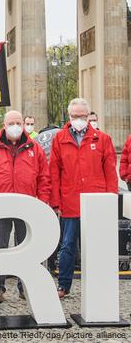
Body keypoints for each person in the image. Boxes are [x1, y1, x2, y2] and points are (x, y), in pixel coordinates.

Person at [0, 110, 50, 301]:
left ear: (23, 125)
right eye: (11, 123)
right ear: (4, 126)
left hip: (28, 207)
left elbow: (44, 178)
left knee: (28, 248)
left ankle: (27, 288)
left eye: (18, 122)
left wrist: (42, 203)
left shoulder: (35, 148)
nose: (15, 126)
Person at [49, 97, 118, 298]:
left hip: (96, 201)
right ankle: (64, 285)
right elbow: (54, 172)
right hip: (70, 202)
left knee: (96, 246)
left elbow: (110, 172)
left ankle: (99, 283)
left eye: (82, 116)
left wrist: (110, 198)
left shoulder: (103, 139)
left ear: (88, 116)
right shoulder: (59, 139)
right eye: (75, 116)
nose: (79, 119)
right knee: (68, 246)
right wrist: (55, 202)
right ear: (69, 116)